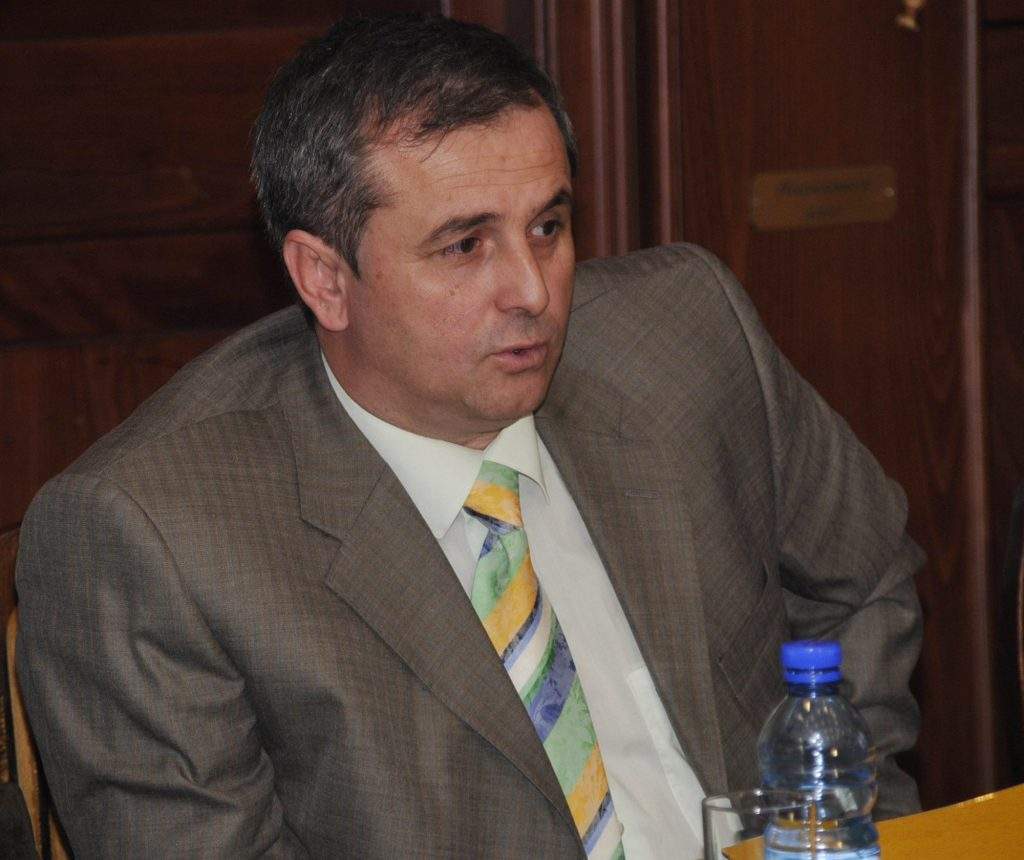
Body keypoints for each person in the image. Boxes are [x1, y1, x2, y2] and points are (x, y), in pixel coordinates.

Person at [15, 13, 923, 859]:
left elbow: (866, 580)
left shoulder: (685, 338)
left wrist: (845, 823)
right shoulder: (151, 539)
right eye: (465, 246)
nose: (534, 290)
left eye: (549, 226)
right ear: (324, 279)